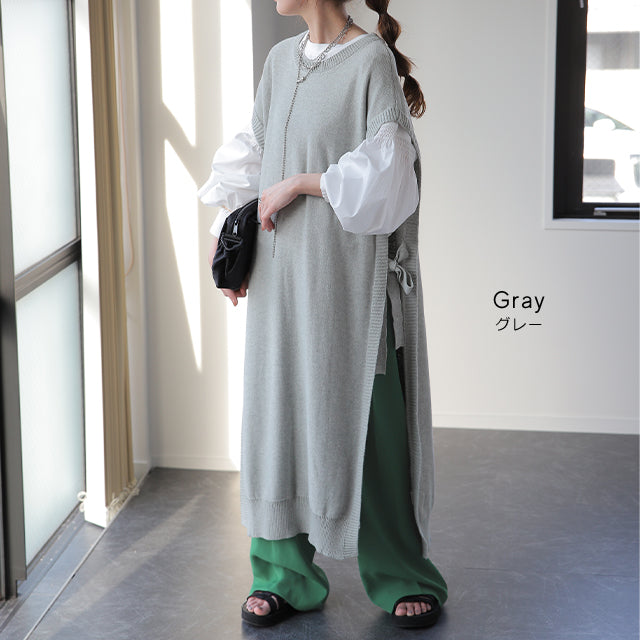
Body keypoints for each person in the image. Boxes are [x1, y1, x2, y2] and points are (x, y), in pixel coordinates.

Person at [197, 0, 448, 629]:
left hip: (349, 278)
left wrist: (300, 183)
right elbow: (255, 153)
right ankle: (282, 574)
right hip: (281, 275)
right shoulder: (280, 60)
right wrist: (230, 239)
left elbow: (389, 179)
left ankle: (400, 572)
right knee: (278, 415)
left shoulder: (370, 62)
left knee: (368, 419)